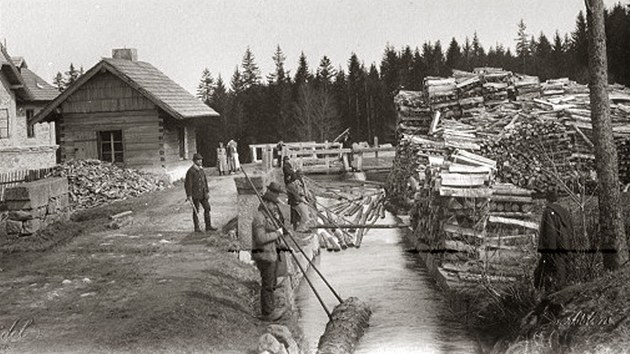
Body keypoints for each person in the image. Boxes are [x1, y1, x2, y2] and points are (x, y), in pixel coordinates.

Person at [251, 182, 288, 321]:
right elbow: (260, 238)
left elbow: (272, 227)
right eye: (272, 204)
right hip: (264, 255)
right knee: (267, 285)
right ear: (266, 202)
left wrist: (277, 223)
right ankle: (267, 313)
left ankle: (270, 309)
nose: (274, 207)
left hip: (270, 253)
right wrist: (277, 234)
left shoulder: (267, 216)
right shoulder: (259, 217)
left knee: (271, 283)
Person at [533, 189, 574, 292]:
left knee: (550, 270)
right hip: (565, 246)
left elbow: (549, 232)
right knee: (561, 269)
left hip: (553, 248)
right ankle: (560, 289)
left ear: (547, 199)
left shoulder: (548, 212)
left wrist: (547, 250)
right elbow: (571, 230)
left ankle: (552, 293)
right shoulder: (565, 211)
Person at [185, 153, 218, 232]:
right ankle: (197, 228)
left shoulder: (201, 170)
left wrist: (207, 191)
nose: (200, 161)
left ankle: (208, 226)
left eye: (200, 160)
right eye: (198, 160)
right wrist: (189, 195)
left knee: (207, 208)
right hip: (195, 194)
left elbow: (205, 181)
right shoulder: (191, 171)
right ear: (194, 161)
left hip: (203, 194)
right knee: (196, 210)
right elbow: (188, 184)